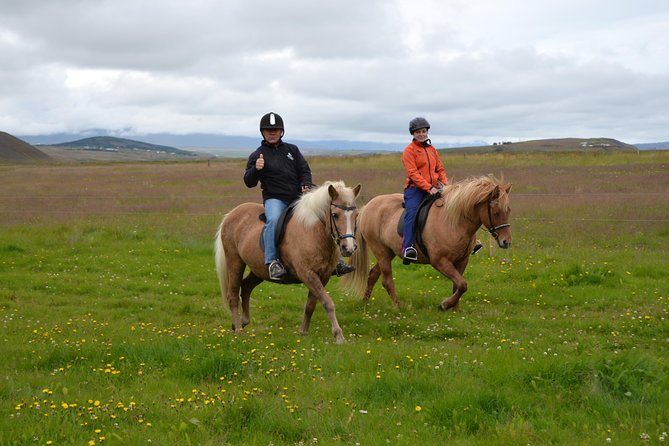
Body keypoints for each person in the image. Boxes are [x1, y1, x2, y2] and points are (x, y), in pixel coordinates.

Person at [244, 112, 354, 280]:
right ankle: (272, 262)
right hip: (275, 199)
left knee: (326, 218)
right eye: (268, 130)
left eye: (276, 130)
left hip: (297, 198)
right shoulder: (258, 155)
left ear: (282, 132)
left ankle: (336, 261)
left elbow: (304, 170)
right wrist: (255, 169)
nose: (272, 133)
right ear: (262, 133)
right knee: (273, 221)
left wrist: (306, 184)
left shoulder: (292, 150)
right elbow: (249, 182)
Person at [401, 117, 448, 262]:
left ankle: (468, 242)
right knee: (412, 213)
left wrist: (446, 185)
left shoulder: (432, 149)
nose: (421, 134)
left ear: (427, 132)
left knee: (455, 206)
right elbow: (413, 174)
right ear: (413, 134)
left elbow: (439, 169)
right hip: (415, 190)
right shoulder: (409, 151)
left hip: (434, 187)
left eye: (423, 131)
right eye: (418, 132)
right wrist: (428, 188)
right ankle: (408, 247)